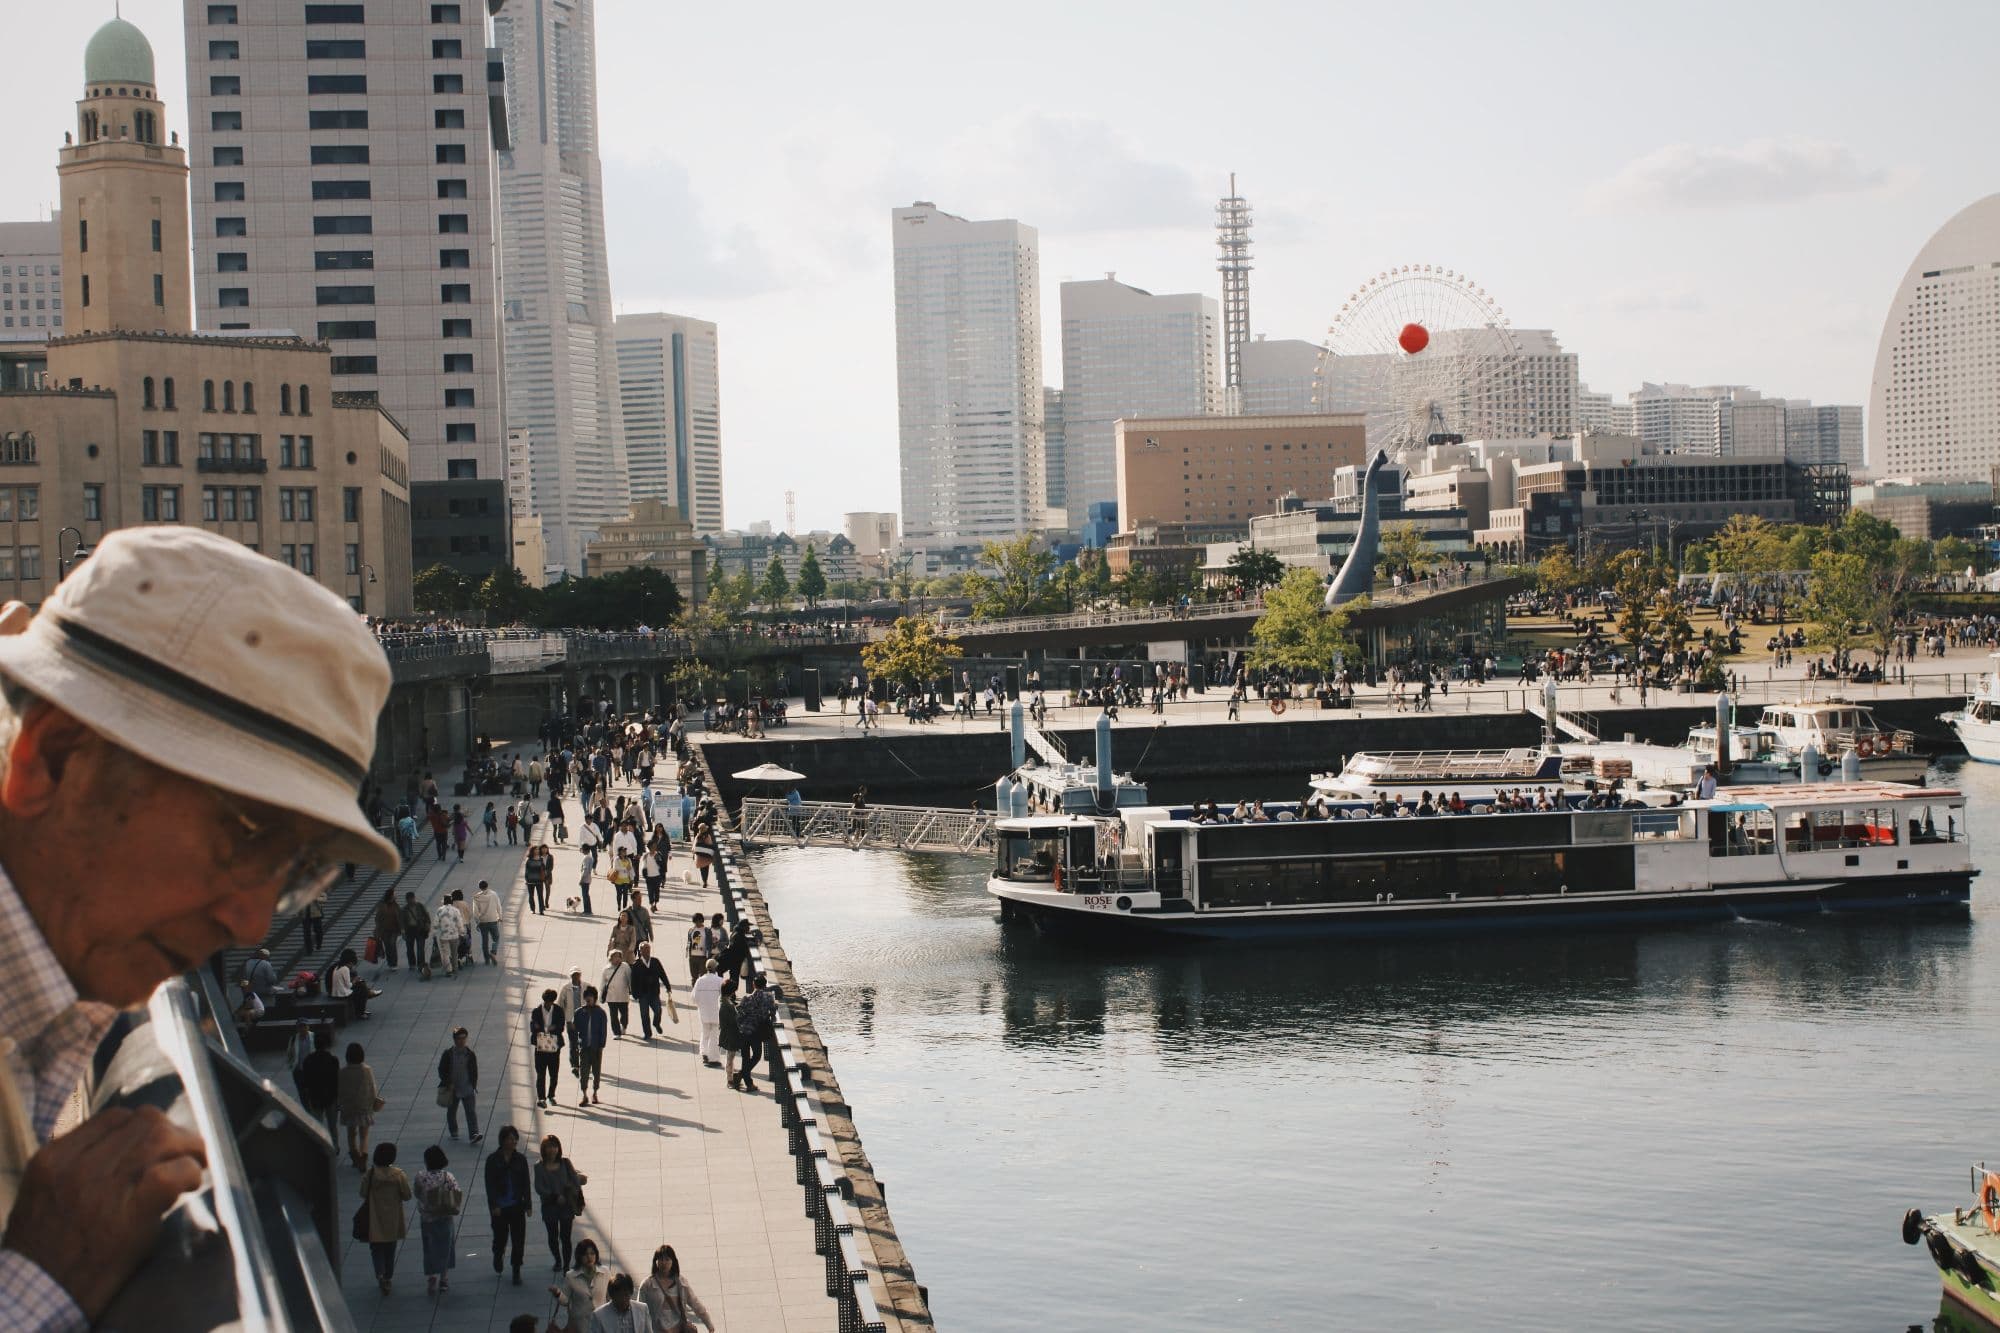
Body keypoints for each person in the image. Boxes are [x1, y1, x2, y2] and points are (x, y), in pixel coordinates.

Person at [360, 1142, 414, 1295]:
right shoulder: (399, 1175)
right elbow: (407, 1195)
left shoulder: (370, 1175)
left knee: (376, 1249)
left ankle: (380, 1274)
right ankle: (388, 1276)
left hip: (374, 1218)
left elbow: (363, 1193)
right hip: (393, 1218)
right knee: (390, 1249)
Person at [484, 1125, 531, 1286]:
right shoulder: (492, 1160)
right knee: (500, 1238)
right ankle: (498, 1255)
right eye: (510, 1138)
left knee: (518, 1240)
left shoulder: (520, 1159)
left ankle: (516, 1269)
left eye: (514, 1138)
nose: (513, 1141)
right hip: (500, 1208)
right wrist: (494, 1205)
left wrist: (528, 1204)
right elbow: (489, 1185)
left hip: (517, 1205)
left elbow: (526, 1183)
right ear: (502, 1140)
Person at [532, 1135, 586, 1273]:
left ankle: (566, 1264)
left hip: (566, 1206)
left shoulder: (565, 1163)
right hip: (549, 1206)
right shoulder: (539, 1167)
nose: (552, 1150)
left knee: (566, 1237)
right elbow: (539, 1187)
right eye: (549, 1146)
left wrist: (571, 1192)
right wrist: (555, 1196)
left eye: (554, 1146)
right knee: (553, 1236)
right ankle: (558, 1259)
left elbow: (575, 1180)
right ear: (544, 1149)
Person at [414, 1143, 462, 1295]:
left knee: (429, 1248)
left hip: (428, 1218)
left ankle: (431, 1276)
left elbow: (417, 1193)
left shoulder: (421, 1176)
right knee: (445, 1248)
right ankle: (444, 1279)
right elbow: (456, 1192)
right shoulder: (448, 1176)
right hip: (445, 1216)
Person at [639, 1244, 714, 1333]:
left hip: (678, 1329)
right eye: (661, 1259)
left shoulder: (681, 1283)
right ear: (656, 1261)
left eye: (667, 1259)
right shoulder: (647, 1284)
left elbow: (696, 1304)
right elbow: (639, 1311)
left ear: (673, 1261)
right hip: (656, 1330)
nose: (664, 1263)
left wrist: (709, 1325)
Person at [337, 1041, 382, 1169]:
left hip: (349, 1107)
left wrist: (340, 1103)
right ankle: (363, 1155)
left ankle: (354, 1155)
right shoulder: (366, 1070)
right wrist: (373, 1101)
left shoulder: (342, 1072)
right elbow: (372, 1087)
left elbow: (339, 1089)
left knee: (351, 1134)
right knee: (364, 1134)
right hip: (364, 1107)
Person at [551, 1238, 610, 1331]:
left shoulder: (605, 1272)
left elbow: (609, 1297)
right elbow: (565, 1301)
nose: (589, 1257)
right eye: (585, 1254)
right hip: (579, 1325)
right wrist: (557, 1293)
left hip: (600, 1322)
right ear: (579, 1257)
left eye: (592, 1253)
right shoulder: (571, 1276)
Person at [734, 975, 778, 1095]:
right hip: (757, 1031)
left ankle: (747, 1082)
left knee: (745, 1057)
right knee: (757, 1055)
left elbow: (739, 1011)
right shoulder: (768, 997)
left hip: (744, 1030)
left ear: (753, 985)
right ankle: (741, 1076)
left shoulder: (746, 998)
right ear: (765, 985)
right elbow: (773, 1010)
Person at [438, 1026, 483, 1143]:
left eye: (464, 1038)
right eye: (459, 1038)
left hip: (467, 1087)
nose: (462, 1041)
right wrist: (448, 1083)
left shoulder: (470, 1054)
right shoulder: (448, 1054)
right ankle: (453, 1131)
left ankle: (473, 1134)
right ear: (454, 1039)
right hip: (452, 1089)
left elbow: (474, 1071)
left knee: (471, 1112)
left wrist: (473, 1085)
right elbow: (441, 1070)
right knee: (452, 1111)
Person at [298, 1027, 342, 1140]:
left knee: (317, 1125)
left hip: (315, 1097)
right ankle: (335, 1146)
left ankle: (320, 1144)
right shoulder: (333, 1060)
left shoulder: (308, 1060)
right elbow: (336, 1080)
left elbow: (305, 1081)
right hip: (331, 1097)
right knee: (332, 1126)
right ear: (327, 1045)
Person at [530, 988, 567, 1108]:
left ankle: (551, 1095)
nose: (548, 1004)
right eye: (547, 1002)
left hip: (554, 1046)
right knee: (540, 1073)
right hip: (540, 1047)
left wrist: (552, 1028)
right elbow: (533, 1027)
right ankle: (541, 1098)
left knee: (553, 1073)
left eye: (550, 1002)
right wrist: (540, 1028)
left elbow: (561, 1026)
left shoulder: (558, 1011)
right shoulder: (536, 1011)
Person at [574, 987, 608, 1105]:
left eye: (591, 997)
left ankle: (595, 1093)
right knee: (584, 1072)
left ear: (595, 998)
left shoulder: (600, 1013)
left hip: (596, 1048)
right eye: (586, 997)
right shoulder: (579, 1012)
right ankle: (584, 1095)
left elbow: (603, 1031)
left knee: (596, 1071)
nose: (588, 999)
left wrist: (601, 1046)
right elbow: (575, 1028)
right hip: (584, 1047)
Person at [631, 942, 672, 1040]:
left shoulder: (655, 961)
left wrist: (668, 986)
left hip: (654, 993)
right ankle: (647, 1033)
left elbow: (662, 974)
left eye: (648, 949)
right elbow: (633, 980)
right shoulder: (636, 964)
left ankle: (656, 1023)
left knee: (658, 1011)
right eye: (644, 949)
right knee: (644, 1015)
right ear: (640, 951)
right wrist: (634, 993)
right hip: (643, 994)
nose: (647, 951)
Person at [692, 961, 725, 1067]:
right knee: (714, 1035)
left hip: (703, 1012)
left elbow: (694, 998)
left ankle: (704, 1053)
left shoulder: (700, 981)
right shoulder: (720, 981)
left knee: (705, 1033)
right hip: (716, 1012)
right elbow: (724, 997)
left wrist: (702, 1004)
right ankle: (713, 1058)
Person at [601, 951, 633, 1040]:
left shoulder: (625, 967)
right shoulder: (606, 969)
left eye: (619, 956)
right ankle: (616, 1032)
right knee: (613, 1015)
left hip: (623, 995)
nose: (617, 958)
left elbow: (630, 979)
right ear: (611, 958)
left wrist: (632, 990)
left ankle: (624, 1025)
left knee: (624, 1014)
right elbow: (603, 983)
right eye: (615, 957)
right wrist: (601, 996)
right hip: (611, 996)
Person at [401, 891, 432, 979]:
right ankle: (412, 964)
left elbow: (427, 916)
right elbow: (402, 921)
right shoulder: (404, 909)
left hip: (420, 929)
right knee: (409, 948)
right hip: (409, 930)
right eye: (410, 899)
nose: (412, 901)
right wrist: (403, 931)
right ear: (407, 900)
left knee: (420, 948)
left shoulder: (420, 906)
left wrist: (428, 926)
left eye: (412, 898)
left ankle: (421, 964)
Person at [433, 892, 465, 979]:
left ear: (443, 901)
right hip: (454, 936)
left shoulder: (439, 910)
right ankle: (455, 968)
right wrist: (462, 932)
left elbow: (435, 923)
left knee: (445, 954)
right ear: (451, 901)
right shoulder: (455, 910)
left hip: (444, 936)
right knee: (454, 953)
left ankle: (448, 970)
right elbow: (459, 922)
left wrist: (434, 933)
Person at [473, 878, 503, 964]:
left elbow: (475, 912)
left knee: (484, 941)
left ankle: (486, 959)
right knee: (496, 938)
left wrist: (477, 922)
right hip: (493, 919)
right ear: (487, 886)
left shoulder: (476, 897)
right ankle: (493, 952)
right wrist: (500, 916)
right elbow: (498, 906)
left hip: (483, 921)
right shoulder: (494, 894)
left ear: (479, 887)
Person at [371, 889, 403, 970]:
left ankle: (394, 963)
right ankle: (390, 962)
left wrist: (402, 928)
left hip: (394, 930)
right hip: (384, 930)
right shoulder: (382, 905)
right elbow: (377, 918)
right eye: (394, 894)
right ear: (391, 895)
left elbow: (400, 916)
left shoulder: (395, 905)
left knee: (392, 944)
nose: (396, 895)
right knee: (387, 946)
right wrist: (377, 929)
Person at [525, 844, 552, 915]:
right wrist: (526, 880)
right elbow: (526, 871)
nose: (537, 851)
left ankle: (541, 909)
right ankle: (532, 909)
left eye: (537, 849)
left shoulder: (541, 859)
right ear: (532, 851)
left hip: (539, 880)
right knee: (531, 895)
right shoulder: (529, 860)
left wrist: (544, 877)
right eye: (535, 849)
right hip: (530, 881)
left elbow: (543, 869)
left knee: (540, 895)